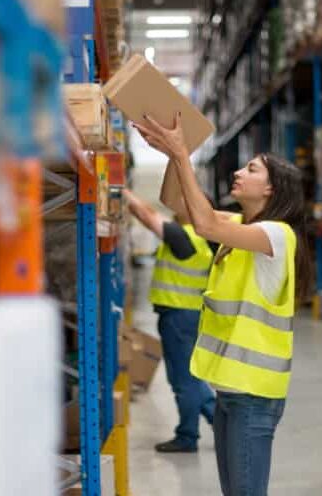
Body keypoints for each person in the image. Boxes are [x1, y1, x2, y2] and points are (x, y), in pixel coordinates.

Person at [133, 113, 311, 496]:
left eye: (251, 169)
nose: (239, 174)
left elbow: (206, 226)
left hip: (254, 395)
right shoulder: (242, 227)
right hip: (231, 391)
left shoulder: (277, 236)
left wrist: (183, 154)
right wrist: (172, 154)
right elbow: (178, 204)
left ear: (272, 190)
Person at [123, 188, 217, 453]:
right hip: (183, 315)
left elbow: (146, 214)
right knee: (187, 378)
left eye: (185, 202)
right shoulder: (197, 239)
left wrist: (121, 188)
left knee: (184, 381)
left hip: (179, 316)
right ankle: (212, 426)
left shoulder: (186, 238)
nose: (178, 206)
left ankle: (192, 435)